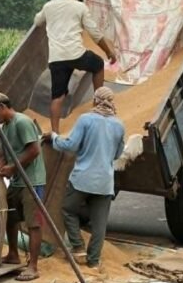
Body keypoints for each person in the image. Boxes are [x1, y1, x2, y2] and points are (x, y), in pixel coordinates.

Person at [46, 87, 125, 269]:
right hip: (105, 182)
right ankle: (94, 262)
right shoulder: (119, 125)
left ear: (95, 101)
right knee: (100, 224)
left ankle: (78, 246)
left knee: (67, 209)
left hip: (83, 179)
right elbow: (117, 154)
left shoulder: (86, 120)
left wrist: (54, 137)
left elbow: (71, 145)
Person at [34, 0, 117, 134]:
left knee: (57, 96)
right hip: (76, 54)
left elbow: (37, 21)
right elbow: (94, 33)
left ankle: (55, 132)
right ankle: (99, 105)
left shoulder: (49, 7)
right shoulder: (79, 7)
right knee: (98, 64)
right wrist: (108, 51)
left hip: (56, 58)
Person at [0, 92, 47, 281]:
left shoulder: (22, 122)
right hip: (17, 181)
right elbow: (0, 154)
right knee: (10, 216)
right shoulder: (4, 128)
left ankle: (33, 266)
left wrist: (13, 167)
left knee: (33, 223)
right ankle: (13, 254)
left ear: (2, 107)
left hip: (32, 181)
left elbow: (34, 150)